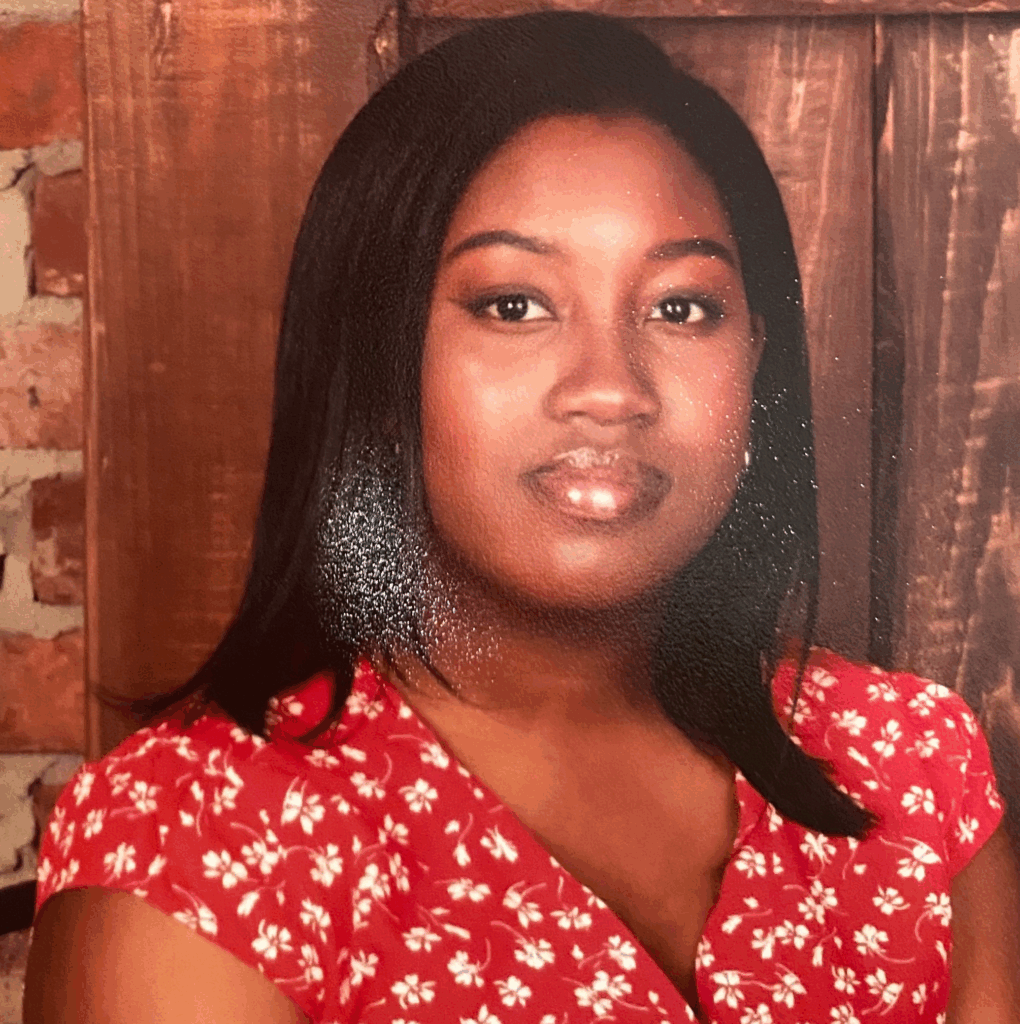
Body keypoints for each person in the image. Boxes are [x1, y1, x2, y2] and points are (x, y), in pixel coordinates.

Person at [22, 12, 1019, 1024]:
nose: (610, 388)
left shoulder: (910, 767)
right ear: (377, 358)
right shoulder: (198, 842)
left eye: (681, 308)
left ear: (755, 361)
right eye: (513, 304)